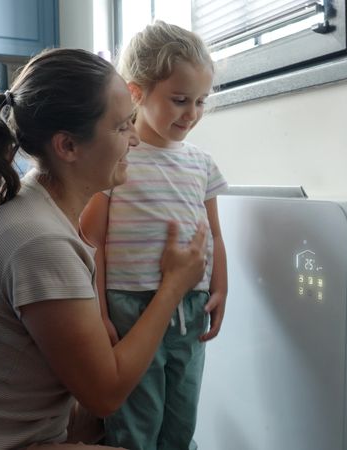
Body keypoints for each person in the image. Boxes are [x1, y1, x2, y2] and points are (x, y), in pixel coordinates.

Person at [0, 48, 209, 450]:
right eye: (122, 127)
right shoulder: (41, 242)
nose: (136, 139)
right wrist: (173, 285)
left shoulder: (38, 204)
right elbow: (105, 394)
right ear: (67, 146)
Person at [80, 21, 228, 450]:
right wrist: (99, 311)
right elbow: (95, 241)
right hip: (131, 303)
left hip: (191, 304)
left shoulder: (202, 163)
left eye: (200, 101)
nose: (192, 114)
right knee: (137, 420)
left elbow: (213, 234)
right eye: (180, 100)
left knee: (182, 416)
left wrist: (220, 286)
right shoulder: (117, 156)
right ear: (136, 93)